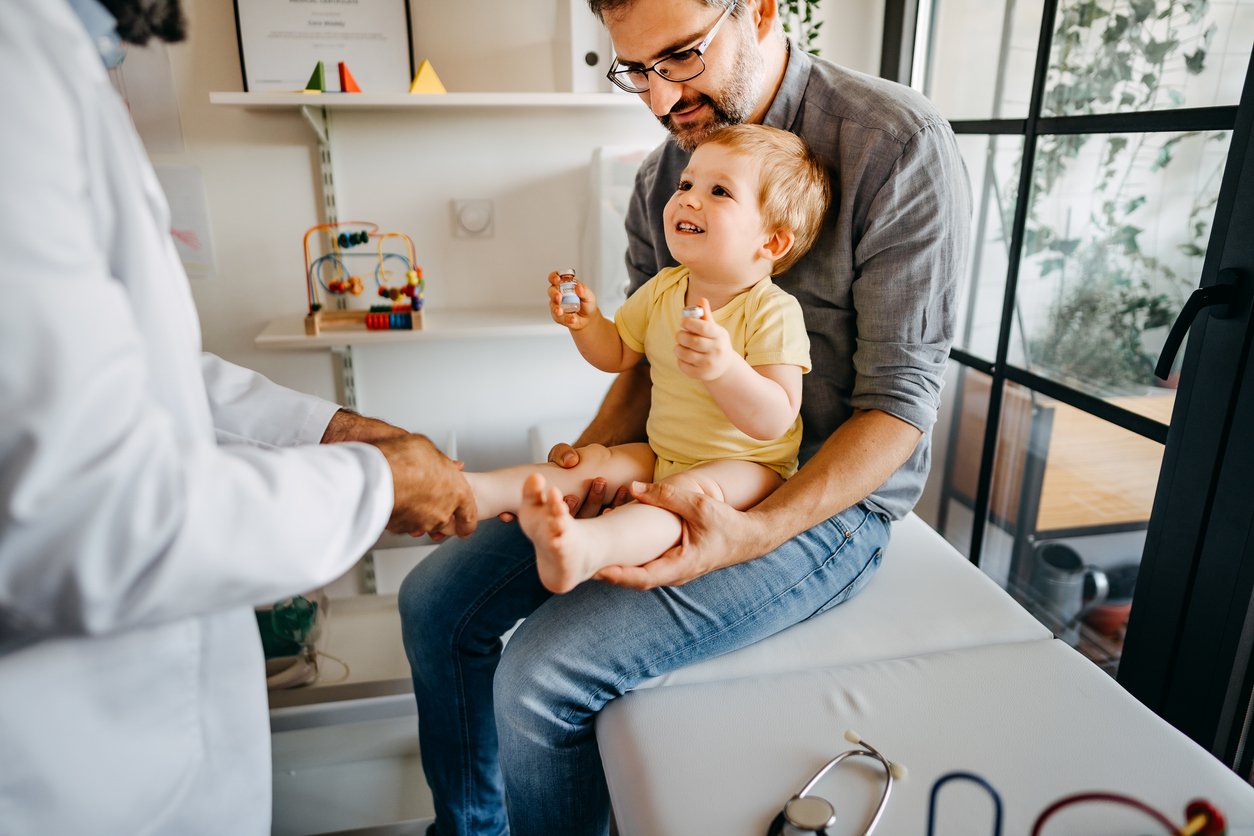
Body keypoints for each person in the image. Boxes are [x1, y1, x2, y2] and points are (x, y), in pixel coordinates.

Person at [399, 0, 972, 833]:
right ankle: (470, 828)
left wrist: (757, 530)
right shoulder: (668, 174)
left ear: (763, 11)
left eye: (680, 57)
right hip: (669, 455)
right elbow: (638, 358)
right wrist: (584, 466)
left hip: (819, 496)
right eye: (636, 70)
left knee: (540, 672)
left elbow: (899, 403)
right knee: (433, 603)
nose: (663, 102)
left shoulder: (896, 146)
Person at [0, 1, 476, 832]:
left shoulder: (55, 56)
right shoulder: (20, 69)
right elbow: (96, 512)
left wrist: (338, 432)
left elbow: (146, 376)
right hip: (69, 775)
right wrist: (375, 484)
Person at [457, 125, 826, 594]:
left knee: (683, 501)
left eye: (719, 191)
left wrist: (724, 368)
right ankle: (478, 493)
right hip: (666, 452)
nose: (689, 199)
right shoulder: (665, 287)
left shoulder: (771, 309)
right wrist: (588, 324)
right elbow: (617, 354)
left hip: (747, 468)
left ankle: (586, 547)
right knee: (595, 464)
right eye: (686, 185)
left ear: (772, 243)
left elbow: (775, 417)